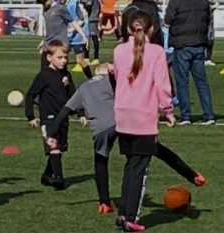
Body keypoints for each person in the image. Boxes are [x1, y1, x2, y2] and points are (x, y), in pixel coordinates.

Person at [48, 63, 206, 215]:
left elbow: (64, 112)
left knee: (100, 161)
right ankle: (192, 176)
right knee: (154, 150)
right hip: (122, 121)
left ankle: (104, 202)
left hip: (101, 128)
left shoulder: (83, 87)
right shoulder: (111, 79)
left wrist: (52, 134)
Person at [113, 10, 175, 232]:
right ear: (151, 29)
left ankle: (123, 213)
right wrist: (168, 109)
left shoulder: (119, 50)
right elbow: (162, 85)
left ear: (129, 28)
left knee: (131, 165)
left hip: (123, 114)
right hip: (143, 116)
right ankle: (131, 216)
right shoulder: (157, 52)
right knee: (139, 168)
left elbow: (118, 79)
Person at [25, 40, 78, 191]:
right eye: (60, 57)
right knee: (53, 146)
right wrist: (30, 115)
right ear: (49, 57)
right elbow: (30, 95)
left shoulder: (66, 75)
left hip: (63, 118)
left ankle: (47, 175)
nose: (64, 61)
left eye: (65, 57)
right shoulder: (43, 76)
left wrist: (80, 112)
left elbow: (73, 95)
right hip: (48, 118)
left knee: (60, 148)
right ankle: (58, 179)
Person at [164, 0, 214, 125]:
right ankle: (209, 115)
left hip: (182, 45)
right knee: (202, 82)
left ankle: (186, 116)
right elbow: (207, 19)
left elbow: (167, 21)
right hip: (199, 44)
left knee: (182, 82)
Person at [36, 0, 87, 70]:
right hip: (48, 44)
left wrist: (83, 35)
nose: (44, 3)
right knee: (45, 71)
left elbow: (72, 21)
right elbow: (50, 28)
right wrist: (44, 41)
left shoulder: (60, 8)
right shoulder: (45, 10)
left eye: (45, 1)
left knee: (61, 72)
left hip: (60, 44)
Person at [54, 0, 93, 78]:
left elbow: (82, 19)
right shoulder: (57, 6)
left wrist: (73, 28)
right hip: (65, 37)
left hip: (77, 36)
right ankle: (64, 79)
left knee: (79, 60)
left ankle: (91, 78)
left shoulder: (74, 3)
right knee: (63, 59)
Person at [79, 0, 101, 65]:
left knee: (93, 38)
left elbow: (89, 5)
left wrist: (82, 3)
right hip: (91, 18)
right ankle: (87, 57)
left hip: (92, 19)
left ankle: (95, 58)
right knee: (88, 38)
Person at [205, 0, 218, 66]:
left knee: (211, 42)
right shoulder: (204, 3)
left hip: (210, 25)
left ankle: (208, 59)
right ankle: (203, 59)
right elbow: (206, 11)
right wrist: (214, 7)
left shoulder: (210, 4)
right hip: (205, 26)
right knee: (205, 42)